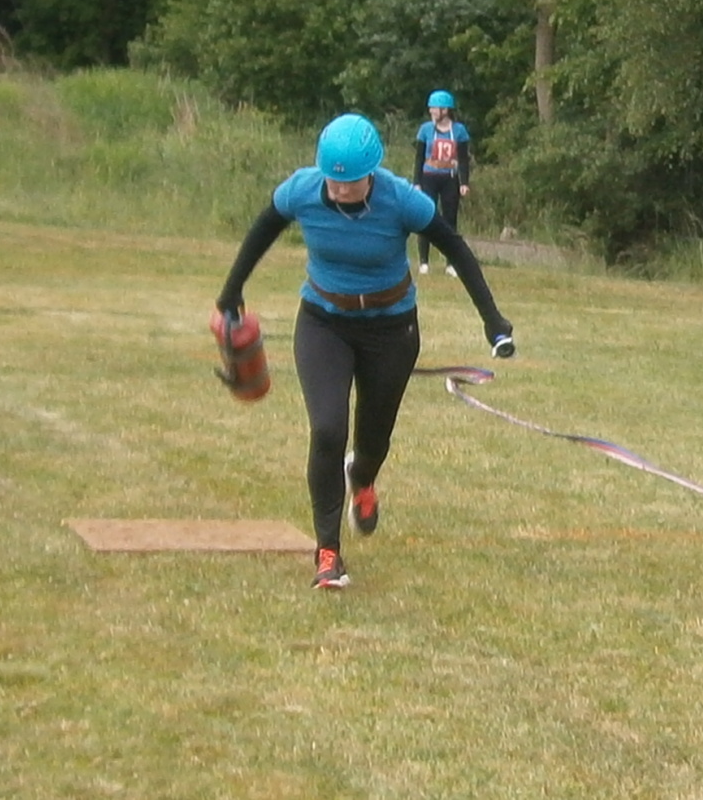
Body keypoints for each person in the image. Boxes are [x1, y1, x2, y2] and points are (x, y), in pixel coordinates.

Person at [215, 113, 514, 590]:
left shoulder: (402, 200)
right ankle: (328, 552)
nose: (338, 189)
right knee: (328, 429)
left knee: (373, 438)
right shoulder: (302, 190)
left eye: (349, 182)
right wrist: (231, 292)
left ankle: (364, 478)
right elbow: (262, 231)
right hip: (323, 323)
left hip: (391, 330)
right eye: (332, 180)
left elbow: (456, 248)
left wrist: (492, 321)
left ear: (371, 173)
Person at [414, 90, 471, 277]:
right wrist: (417, 182)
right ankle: (424, 262)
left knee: (450, 220)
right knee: (425, 217)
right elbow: (419, 158)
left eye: (434, 108)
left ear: (445, 110)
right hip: (429, 177)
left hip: (450, 178)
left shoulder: (459, 131)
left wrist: (464, 182)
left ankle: (451, 263)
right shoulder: (425, 130)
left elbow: (463, 159)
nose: (431, 112)